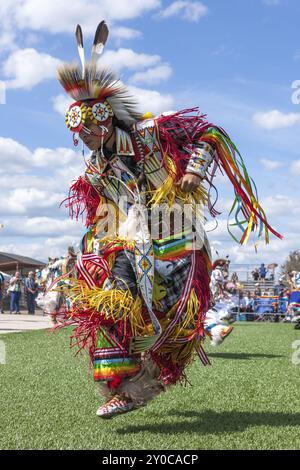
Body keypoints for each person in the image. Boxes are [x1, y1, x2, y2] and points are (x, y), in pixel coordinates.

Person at [53, 20, 282, 418]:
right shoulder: (97, 169)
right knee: (104, 294)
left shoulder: (150, 132)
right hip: (134, 240)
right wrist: (98, 240)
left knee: (177, 324)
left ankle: (143, 385)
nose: (82, 136)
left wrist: (193, 169)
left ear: (103, 118)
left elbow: (206, 131)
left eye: (86, 127)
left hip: (178, 237)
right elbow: (101, 210)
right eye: (76, 129)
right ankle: (120, 383)